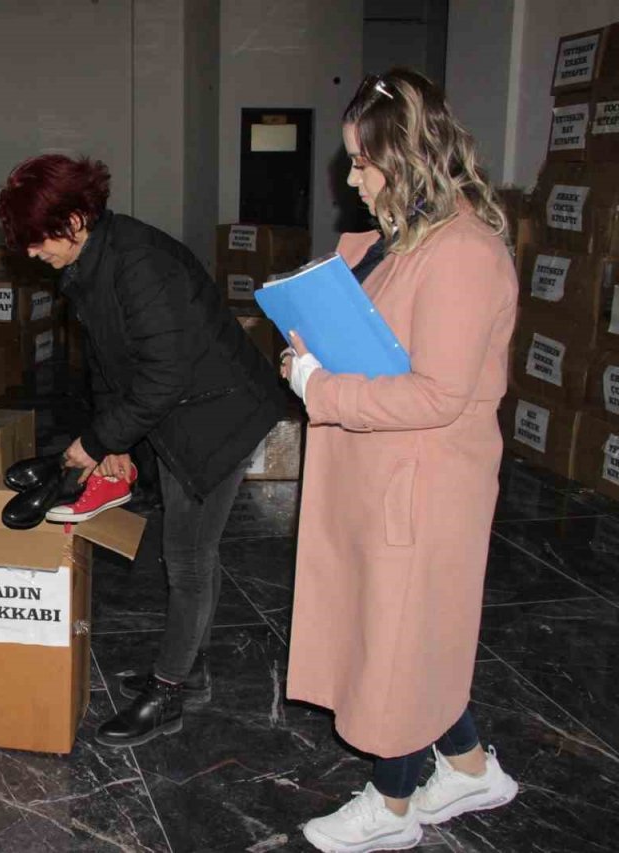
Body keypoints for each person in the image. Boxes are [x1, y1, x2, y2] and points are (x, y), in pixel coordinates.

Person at [281, 69, 520, 853]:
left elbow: (437, 394)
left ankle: (391, 807)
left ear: (406, 157)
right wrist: (308, 356)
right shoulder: (401, 238)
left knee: (398, 643)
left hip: (423, 483)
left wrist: (322, 387)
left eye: (361, 161)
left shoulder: (465, 252)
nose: (351, 179)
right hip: (383, 472)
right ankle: (472, 767)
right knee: (409, 634)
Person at [0, 155, 286, 747]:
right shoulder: (91, 264)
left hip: (218, 415)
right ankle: (191, 669)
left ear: (75, 220)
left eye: (36, 237)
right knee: (194, 551)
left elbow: (163, 377)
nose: (29, 251)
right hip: (182, 408)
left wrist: (94, 443)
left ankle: (170, 692)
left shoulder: (139, 263)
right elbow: (107, 362)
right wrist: (115, 444)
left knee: (187, 557)